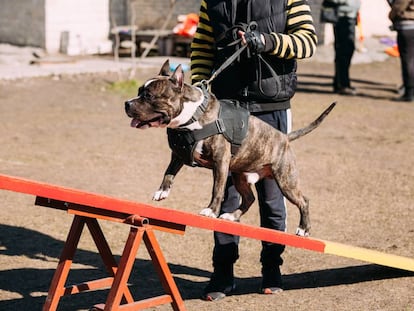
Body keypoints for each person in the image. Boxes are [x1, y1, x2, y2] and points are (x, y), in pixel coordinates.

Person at [190, 0, 317, 301]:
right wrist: (200, 88)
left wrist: (270, 41)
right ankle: (222, 272)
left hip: (271, 105)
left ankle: (272, 268)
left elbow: (308, 42)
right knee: (225, 193)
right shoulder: (212, 2)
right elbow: (201, 48)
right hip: (226, 107)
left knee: (273, 196)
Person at [325, 0, 361, 95]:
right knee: (343, 52)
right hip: (342, 17)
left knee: (347, 51)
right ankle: (342, 85)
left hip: (350, 16)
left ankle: (341, 83)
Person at [388, 0, 414, 102]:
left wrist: (391, 15)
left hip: (407, 27)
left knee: (408, 60)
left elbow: (398, 7)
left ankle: (409, 91)